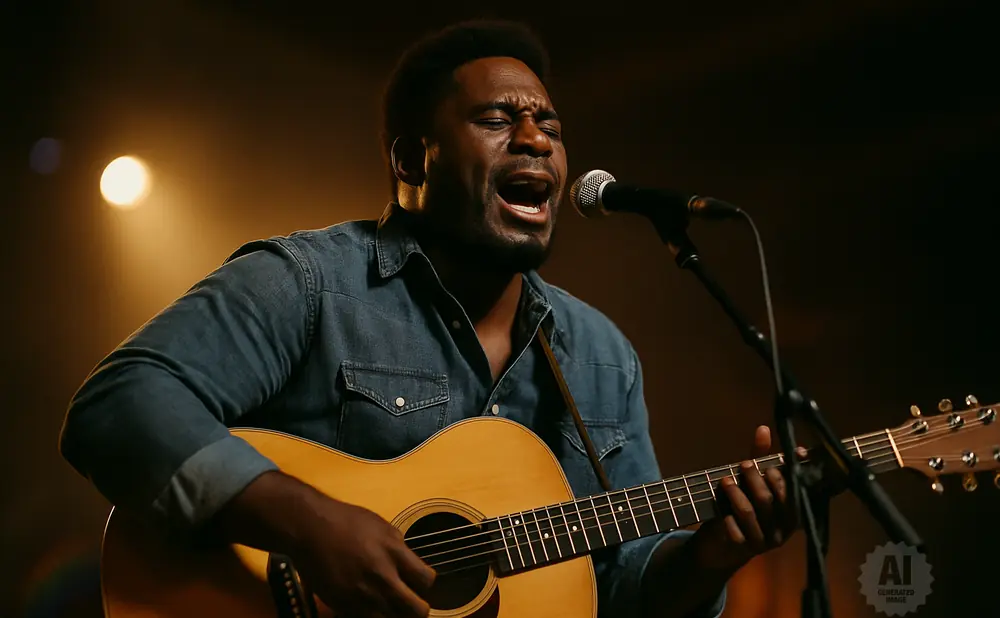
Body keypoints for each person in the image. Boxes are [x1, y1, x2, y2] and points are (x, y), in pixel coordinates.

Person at [59, 19, 796, 618]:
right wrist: (306, 523)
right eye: (497, 119)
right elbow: (119, 402)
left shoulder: (600, 355)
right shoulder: (311, 284)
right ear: (413, 161)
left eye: (548, 124)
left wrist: (708, 557)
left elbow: (619, 591)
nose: (535, 139)